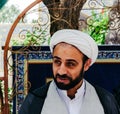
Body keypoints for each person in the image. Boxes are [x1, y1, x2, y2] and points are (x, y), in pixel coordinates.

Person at [19, 29, 120, 114]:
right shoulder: (34, 101)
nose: (61, 71)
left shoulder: (105, 100)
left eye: (70, 64)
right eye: (57, 62)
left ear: (86, 64)